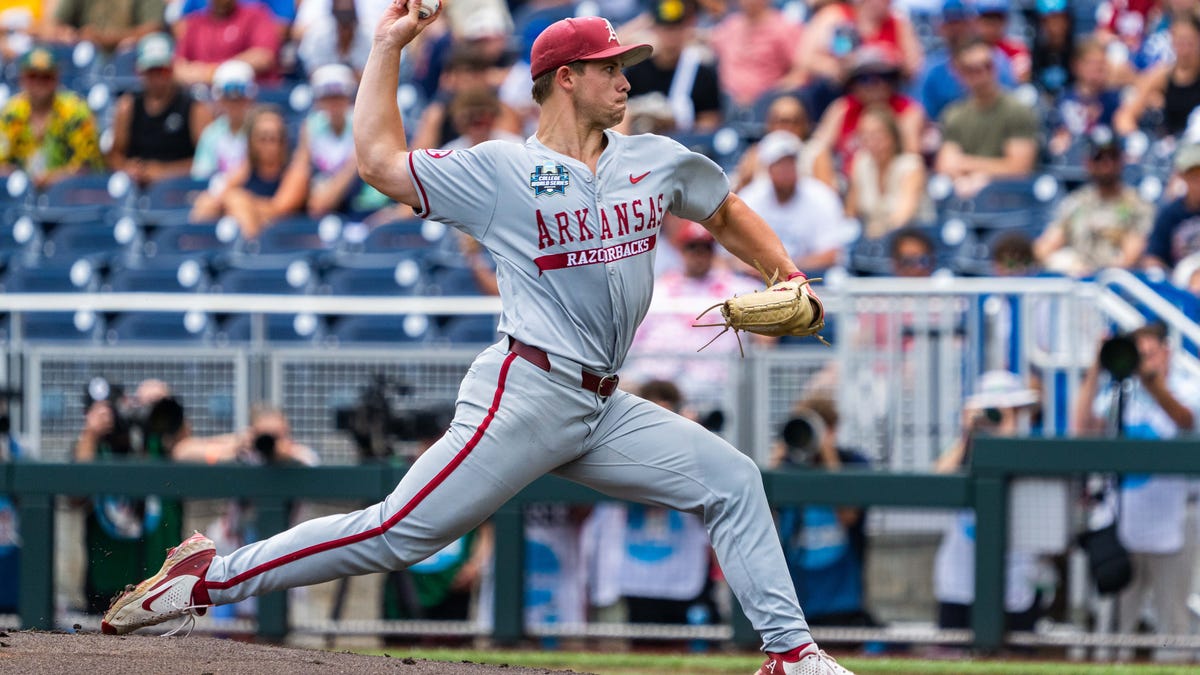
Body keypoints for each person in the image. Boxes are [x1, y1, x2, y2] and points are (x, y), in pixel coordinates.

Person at [102, 8, 853, 675]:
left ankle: (790, 653)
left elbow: (721, 208)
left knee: (733, 479)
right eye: (609, 67)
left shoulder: (651, 159)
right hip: (526, 392)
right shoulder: (502, 170)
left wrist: (785, 269)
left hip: (602, 404)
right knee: (396, 533)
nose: (625, 78)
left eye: (625, 66)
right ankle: (207, 578)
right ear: (564, 79)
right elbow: (378, 164)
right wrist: (390, 46)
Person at [1072, 323, 1200, 662]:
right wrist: (1096, 368)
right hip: (1122, 521)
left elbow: (1185, 420)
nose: (1142, 361)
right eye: (1137, 355)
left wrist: (1152, 382)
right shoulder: (1118, 393)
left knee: (1172, 619)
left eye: (1149, 353)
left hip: (1175, 520)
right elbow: (1082, 431)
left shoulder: (1189, 387)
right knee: (1114, 622)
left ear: (1166, 351)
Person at [933, 370, 1044, 635]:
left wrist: (1007, 430)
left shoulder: (1030, 451)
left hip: (1015, 585)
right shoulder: (963, 451)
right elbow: (937, 480)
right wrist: (968, 435)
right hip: (960, 583)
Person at [75, 379, 187, 615]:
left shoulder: (158, 443)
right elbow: (75, 493)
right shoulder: (92, 449)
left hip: (162, 584)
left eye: (112, 408)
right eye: (98, 411)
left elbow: (187, 448)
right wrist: (91, 435)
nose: (108, 417)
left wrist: (163, 407)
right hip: (107, 585)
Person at [771, 395, 877, 629]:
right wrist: (776, 467)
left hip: (841, 600)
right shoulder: (789, 466)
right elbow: (765, 519)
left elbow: (849, 516)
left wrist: (829, 457)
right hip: (794, 599)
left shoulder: (852, 462)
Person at [1033, 130, 1153, 277]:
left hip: (1116, 283)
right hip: (1078, 278)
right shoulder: (1076, 201)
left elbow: (1132, 253)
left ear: (1122, 160)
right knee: (1060, 259)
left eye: (1112, 157)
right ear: (1088, 162)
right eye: (1099, 158)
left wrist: (1099, 277)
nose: (1106, 164)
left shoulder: (1137, 204)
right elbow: (1047, 245)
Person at [934, 38, 1039, 198]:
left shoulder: (1017, 110)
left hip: (1010, 200)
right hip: (966, 198)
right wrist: (968, 178)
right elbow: (946, 165)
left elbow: (1019, 168)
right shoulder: (954, 114)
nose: (982, 74)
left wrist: (969, 166)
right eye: (972, 69)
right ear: (958, 72)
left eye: (987, 66)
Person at [738, 130, 850, 273]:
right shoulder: (750, 197)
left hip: (810, 279)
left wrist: (786, 270)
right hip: (758, 280)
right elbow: (728, 256)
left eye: (790, 162)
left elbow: (832, 255)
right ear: (768, 168)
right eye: (779, 163)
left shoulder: (821, 196)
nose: (786, 169)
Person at [108, 33, 212, 187]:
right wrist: (127, 167)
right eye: (151, 71)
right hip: (137, 187)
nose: (157, 78)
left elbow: (206, 162)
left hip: (181, 189)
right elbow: (115, 154)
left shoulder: (194, 108)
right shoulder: (127, 106)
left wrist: (164, 172)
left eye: (162, 71)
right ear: (141, 72)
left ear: (172, 69)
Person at [189, 104, 308, 238]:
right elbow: (217, 197)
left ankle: (249, 250)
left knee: (236, 200)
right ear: (252, 141)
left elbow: (279, 209)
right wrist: (232, 202)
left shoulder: (294, 172)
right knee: (207, 204)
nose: (269, 145)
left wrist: (240, 202)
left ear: (284, 142)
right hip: (247, 222)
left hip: (282, 236)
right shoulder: (244, 169)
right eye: (263, 138)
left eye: (274, 138)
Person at [291, 63, 390, 220]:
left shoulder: (362, 124)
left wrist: (325, 198)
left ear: (348, 97)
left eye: (338, 96)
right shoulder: (310, 126)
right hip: (330, 201)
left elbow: (354, 170)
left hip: (365, 203)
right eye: (326, 97)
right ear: (318, 101)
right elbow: (301, 167)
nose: (333, 104)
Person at [809, 46, 926, 172]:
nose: (876, 85)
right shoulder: (842, 108)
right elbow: (818, 148)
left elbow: (911, 154)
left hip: (892, 181)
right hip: (846, 183)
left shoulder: (908, 111)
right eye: (866, 79)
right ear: (853, 84)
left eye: (884, 77)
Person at [0, 45, 102, 189]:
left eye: (46, 77)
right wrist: (16, 176)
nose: (38, 83)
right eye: (32, 76)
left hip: (69, 196)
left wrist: (53, 178)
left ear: (57, 78)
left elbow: (87, 166)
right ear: (22, 78)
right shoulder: (11, 113)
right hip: (22, 196)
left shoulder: (76, 111)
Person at [620, 0, 721, 134]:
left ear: (687, 29)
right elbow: (620, 112)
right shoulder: (638, 69)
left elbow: (710, 121)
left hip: (684, 146)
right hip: (639, 142)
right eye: (666, 28)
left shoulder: (701, 72)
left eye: (677, 28)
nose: (672, 36)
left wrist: (674, 125)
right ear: (654, 29)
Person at [844, 105, 932, 239]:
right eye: (865, 135)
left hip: (912, 240)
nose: (871, 141)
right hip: (873, 245)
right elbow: (851, 211)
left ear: (893, 136)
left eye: (877, 135)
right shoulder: (861, 163)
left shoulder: (911, 166)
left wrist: (875, 232)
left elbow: (903, 217)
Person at [1113, 12, 1200, 139]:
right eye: (1180, 41)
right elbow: (1126, 115)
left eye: (1190, 41)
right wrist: (1136, 138)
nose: (1185, 48)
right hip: (1172, 146)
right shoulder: (1162, 75)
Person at [707, 0, 804, 111]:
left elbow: (800, 73)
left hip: (765, 107)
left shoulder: (784, 28)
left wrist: (769, 95)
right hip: (726, 104)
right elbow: (709, 40)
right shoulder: (731, 25)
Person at [731, 95, 837, 192]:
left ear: (805, 124)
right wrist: (745, 180)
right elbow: (739, 195)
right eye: (780, 121)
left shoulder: (816, 152)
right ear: (769, 124)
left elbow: (827, 196)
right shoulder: (756, 152)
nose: (787, 127)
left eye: (794, 121)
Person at [173, 0, 282, 85]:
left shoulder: (256, 15)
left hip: (249, 97)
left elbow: (264, 57)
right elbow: (178, 68)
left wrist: (216, 71)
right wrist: (207, 74)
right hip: (204, 98)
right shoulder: (194, 22)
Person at [1046, 39, 1122, 158]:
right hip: (1069, 159)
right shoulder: (1062, 98)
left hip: (1103, 161)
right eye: (1092, 63)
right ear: (1077, 65)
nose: (1098, 68)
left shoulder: (1114, 100)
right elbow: (1057, 132)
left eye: (1102, 63)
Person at [190, 59, 256, 180]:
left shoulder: (260, 132)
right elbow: (201, 176)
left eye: (239, 98)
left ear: (249, 98)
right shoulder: (211, 134)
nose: (234, 104)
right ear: (220, 100)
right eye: (228, 98)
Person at [1144, 142, 1200, 270]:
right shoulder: (1170, 214)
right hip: (1179, 282)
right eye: (1194, 176)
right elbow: (1153, 257)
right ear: (1182, 176)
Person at [46, 0, 164, 53]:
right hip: (87, 60)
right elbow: (53, 25)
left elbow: (154, 29)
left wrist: (105, 39)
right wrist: (72, 34)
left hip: (130, 64)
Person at [297, 0, 372, 77]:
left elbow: (366, 75)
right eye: (342, 28)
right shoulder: (319, 33)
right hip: (320, 86)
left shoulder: (367, 34)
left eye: (347, 27)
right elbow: (312, 71)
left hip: (359, 87)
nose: (344, 32)